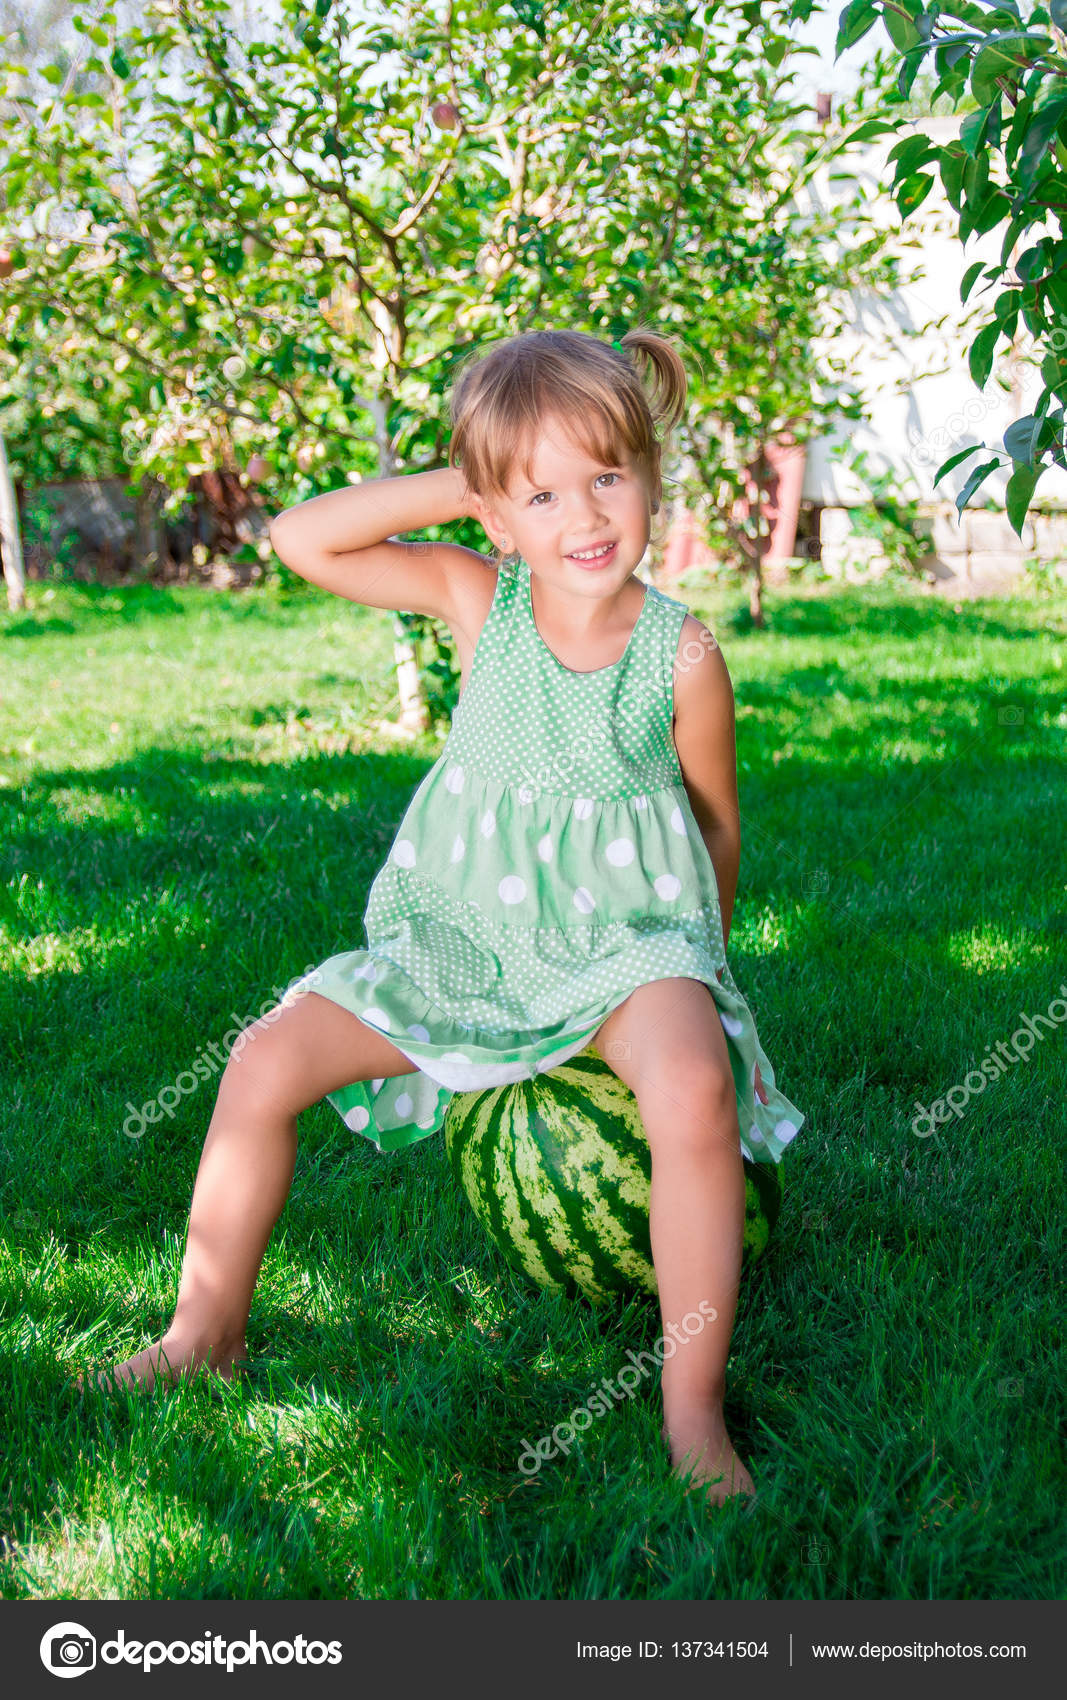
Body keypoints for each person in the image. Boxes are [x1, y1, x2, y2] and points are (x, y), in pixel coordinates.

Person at [80, 326, 805, 1508]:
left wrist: (698, 972)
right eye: (540, 491)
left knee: (689, 1087)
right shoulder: (479, 598)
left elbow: (716, 824)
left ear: (651, 475)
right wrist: (469, 484)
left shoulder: (681, 653)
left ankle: (690, 1413)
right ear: (495, 513)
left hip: (627, 944)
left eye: (608, 475)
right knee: (261, 1060)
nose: (584, 515)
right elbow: (301, 537)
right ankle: (200, 1329)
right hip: (461, 940)